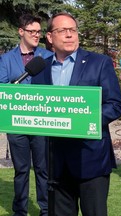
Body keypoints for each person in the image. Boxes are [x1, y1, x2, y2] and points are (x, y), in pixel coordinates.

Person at [31, 12, 121, 216]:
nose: (69, 35)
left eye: (72, 30)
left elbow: (115, 104)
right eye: (62, 30)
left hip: (91, 159)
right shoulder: (40, 70)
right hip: (56, 164)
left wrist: (82, 121)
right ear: (49, 37)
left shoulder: (99, 63)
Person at [0, 14, 53, 216]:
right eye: (32, 31)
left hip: (42, 122)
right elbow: (2, 87)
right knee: (21, 170)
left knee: (43, 170)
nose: (36, 35)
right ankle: (19, 210)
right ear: (21, 32)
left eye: (39, 31)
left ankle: (46, 210)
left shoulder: (47, 57)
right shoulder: (6, 59)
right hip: (17, 123)